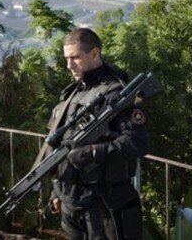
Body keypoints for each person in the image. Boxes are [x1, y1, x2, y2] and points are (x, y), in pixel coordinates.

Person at [47, 28, 148, 240]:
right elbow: (62, 147)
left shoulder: (117, 94)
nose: (69, 65)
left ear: (95, 54)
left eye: (75, 57)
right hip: (72, 204)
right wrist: (58, 191)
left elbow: (136, 142)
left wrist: (93, 152)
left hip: (105, 205)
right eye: (66, 58)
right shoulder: (72, 95)